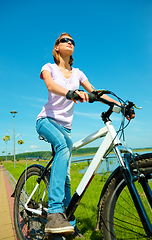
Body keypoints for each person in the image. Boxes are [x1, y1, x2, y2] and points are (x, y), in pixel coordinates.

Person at [36, 33, 134, 237]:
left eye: (72, 41)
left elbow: (95, 92)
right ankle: (54, 213)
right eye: (65, 40)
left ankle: (68, 220)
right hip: (46, 121)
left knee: (67, 178)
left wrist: (121, 106)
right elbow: (51, 86)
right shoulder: (49, 67)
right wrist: (70, 93)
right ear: (56, 48)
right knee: (64, 147)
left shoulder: (78, 73)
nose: (70, 43)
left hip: (66, 128)